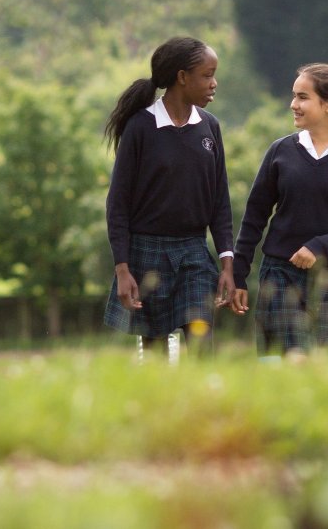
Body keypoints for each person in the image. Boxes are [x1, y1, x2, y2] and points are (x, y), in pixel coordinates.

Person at [229, 63, 328, 355]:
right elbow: (254, 218)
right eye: (294, 96)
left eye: (302, 97)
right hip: (279, 274)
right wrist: (238, 275)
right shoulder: (280, 151)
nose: (293, 104)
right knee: (277, 362)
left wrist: (318, 247)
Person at [101, 36, 237, 359]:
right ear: (182, 77)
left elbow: (220, 202)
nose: (214, 83)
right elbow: (117, 204)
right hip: (146, 253)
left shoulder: (210, 128)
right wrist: (123, 269)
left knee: (202, 344)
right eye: (207, 75)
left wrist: (227, 264)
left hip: (193, 252)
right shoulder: (140, 128)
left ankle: (205, 406)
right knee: (156, 353)